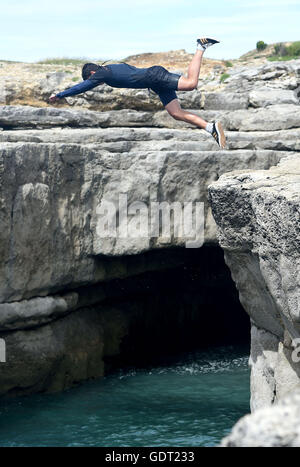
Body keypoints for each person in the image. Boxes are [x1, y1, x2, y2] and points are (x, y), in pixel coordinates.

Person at [49, 38, 226, 148]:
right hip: (154, 83)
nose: (94, 83)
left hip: (154, 76)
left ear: (92, 74)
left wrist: (60, 95)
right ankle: (210, 128)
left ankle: (200, 46)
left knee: (191, 83)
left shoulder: (102, 73)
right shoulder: (110, 70)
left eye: (91, 79)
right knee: (176, 113)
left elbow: (81, 87)